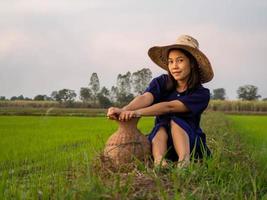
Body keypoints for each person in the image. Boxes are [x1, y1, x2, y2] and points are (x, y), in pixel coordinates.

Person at [107, 35, 214, 168]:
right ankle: (159, 161)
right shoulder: (162, 82)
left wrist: (136, 113)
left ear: (192, 63)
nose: (174, 66)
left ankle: (184, 162)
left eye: (180, 60)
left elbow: (169, 107)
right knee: (160, 127)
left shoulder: (201, 94)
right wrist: (124, 110)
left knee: (176, 121)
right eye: (170, 61)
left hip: (190, 143)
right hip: (163, 143)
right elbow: (146, 97)